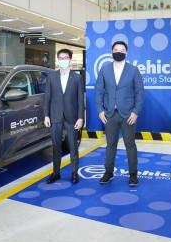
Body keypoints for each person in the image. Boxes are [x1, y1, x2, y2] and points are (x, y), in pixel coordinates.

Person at [95, 41, 144, 186]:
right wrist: (100, 110)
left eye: (122, 50)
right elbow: (98, 91)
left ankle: (133, 174)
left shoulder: (133, 70)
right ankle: (108, 172)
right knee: (110, 145)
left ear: (126, 53)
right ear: (111, 51)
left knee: (130, 145)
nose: (119, 52)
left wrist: (135, 112)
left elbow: (139, 93)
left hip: (128, 114)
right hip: (109, 114)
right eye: (116, 49)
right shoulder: (105, 69)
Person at [43, 48, 85, 184]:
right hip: (55, 116)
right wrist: (46, 115)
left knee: (73, 146)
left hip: (72, 116)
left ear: (70, 60)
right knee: (56, 146)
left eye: (65, 58)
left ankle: (74, 172)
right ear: (58, 60)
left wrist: (80, 117)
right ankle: (56, 172)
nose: (63, 60)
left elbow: (80, 100)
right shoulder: (51, 77)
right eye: (60, 58)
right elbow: (47, 98)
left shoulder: (77, 78)